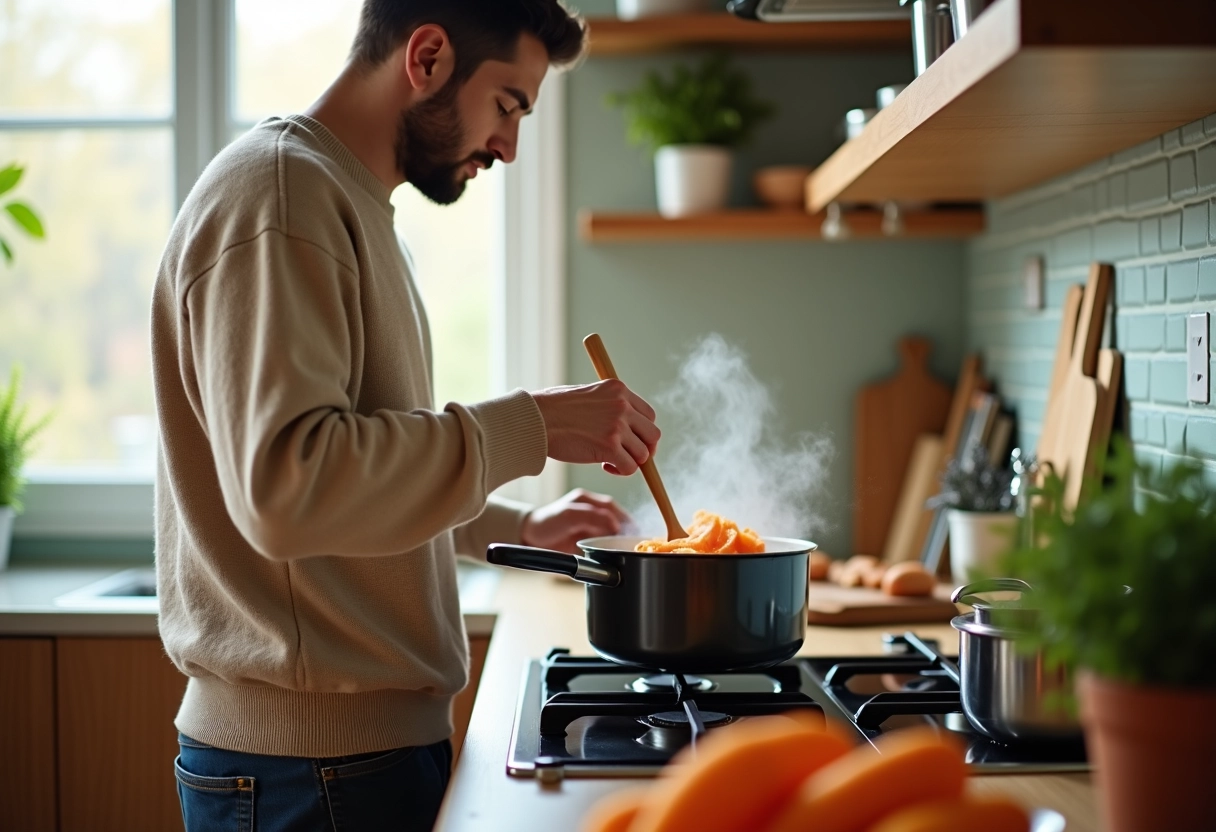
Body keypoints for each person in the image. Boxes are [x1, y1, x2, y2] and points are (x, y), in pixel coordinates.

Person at [150, 2, 661, 830]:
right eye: (508, 104)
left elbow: (354, 478)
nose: (509, 145)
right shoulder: (283, 199)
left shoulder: (346, 204)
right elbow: (290, 489)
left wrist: (512, 529)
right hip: (307, 768)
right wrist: (533, 424)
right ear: (426, 57)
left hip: (345, 758)